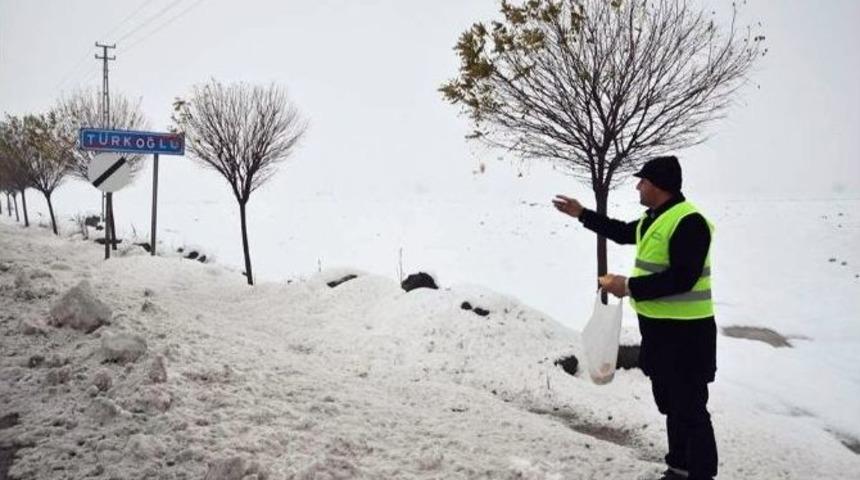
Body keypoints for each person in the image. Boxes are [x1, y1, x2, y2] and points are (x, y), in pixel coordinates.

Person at [552, 156, 718, 480]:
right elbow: (621, 232)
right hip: (659, 332)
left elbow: (683, 278)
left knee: (690, 409)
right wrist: (582, 214)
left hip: (688, 335)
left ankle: (699, 474)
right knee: (670, 404)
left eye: (642, 181)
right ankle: (679, 468)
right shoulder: (653, 219)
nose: (638, 186)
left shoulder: (689, 222)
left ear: (658, 185)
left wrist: (627, 286)